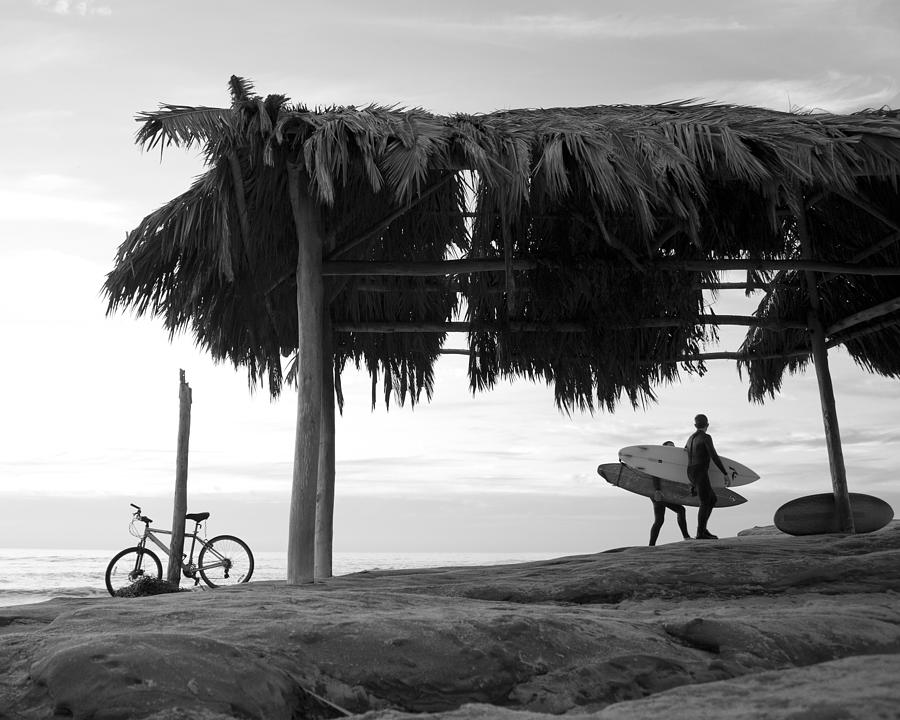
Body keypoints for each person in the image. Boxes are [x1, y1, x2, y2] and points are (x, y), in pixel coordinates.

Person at [685, 413, 729, 540]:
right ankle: (700, 533)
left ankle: (703, 529)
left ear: (695, 425)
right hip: (700, 471)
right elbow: (714, 456)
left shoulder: (690, 438)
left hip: (691, 472)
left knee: (712, 499)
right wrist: (724, 473)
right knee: (705, 502)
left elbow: (686, 450)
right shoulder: (706, 437)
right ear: (707, 425)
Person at [648, 441, 691, 546]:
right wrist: (657, 490)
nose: (672, 449)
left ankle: (651, 545)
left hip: (665, 493)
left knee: (665, 517)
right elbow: (655, 475)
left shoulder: (671, 462)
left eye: (673, 447)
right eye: (670, 447)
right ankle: (686, 537)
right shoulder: (659, 460)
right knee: (662, 518)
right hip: (657, 492)